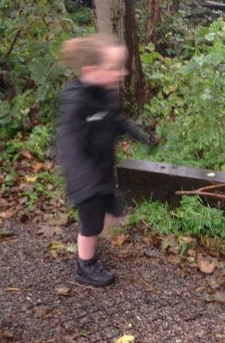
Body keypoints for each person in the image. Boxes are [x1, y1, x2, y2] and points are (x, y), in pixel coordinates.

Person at [54, 33, 156, 288]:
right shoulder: (77, 100)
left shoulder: (105, 93)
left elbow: (116, 120)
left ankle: (104, 223)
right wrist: (85, 183)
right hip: (84, 178)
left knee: (110, 211)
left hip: (102, 170)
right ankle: (85, 266)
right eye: (114, 68)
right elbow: (70, 144)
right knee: (90, 224)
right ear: (91, 71)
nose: (121, 73)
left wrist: (139, 136)